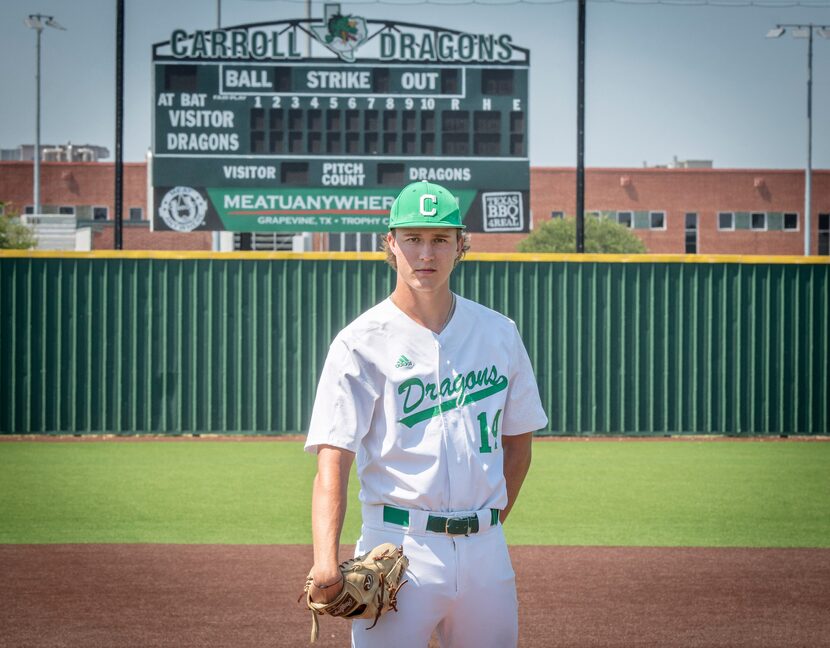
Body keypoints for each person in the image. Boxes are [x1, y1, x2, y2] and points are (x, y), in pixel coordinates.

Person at [304, 180, 548, 648]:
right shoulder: (360, 341)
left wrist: (486, 525)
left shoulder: (499, 332)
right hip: (397, 545)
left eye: (439, 238)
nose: (426, 253)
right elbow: (332, 461)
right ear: (391, 243)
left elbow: (518, 444)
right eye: (413, 238)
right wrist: (325, 559)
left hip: (485, 552)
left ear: (461, 246)